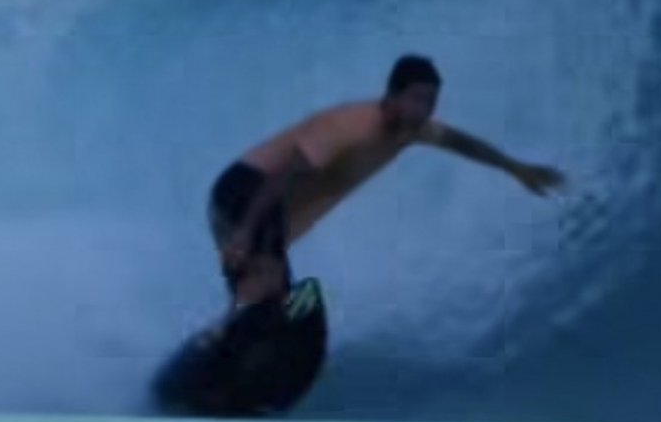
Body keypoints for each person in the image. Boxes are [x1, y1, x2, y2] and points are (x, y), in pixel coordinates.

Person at [206, 53, 566, 311]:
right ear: (391, 96)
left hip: (268, 206)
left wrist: (516, 168)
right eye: (416, 99)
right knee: (266, 280)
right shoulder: (349, 126)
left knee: (272, 296)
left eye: (431, 102)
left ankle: (224, 349)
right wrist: (244, 231)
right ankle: (235, 338)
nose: (424, 110)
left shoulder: (411, 130)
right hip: (249, 188)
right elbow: (285, 174)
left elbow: (462, 143)